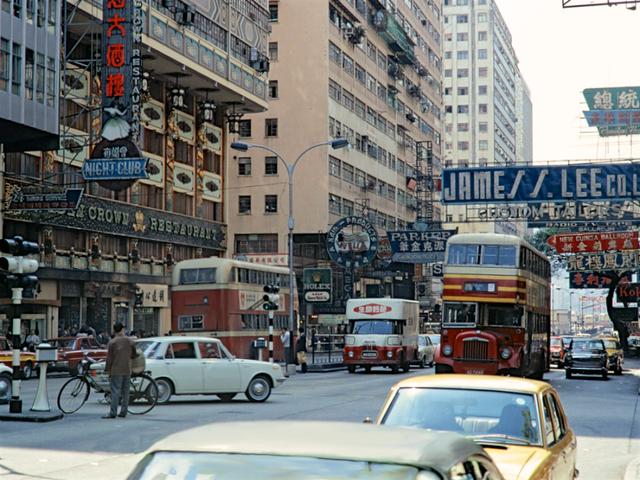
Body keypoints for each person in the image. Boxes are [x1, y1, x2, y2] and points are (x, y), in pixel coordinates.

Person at [103, 323, 138, 419]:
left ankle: (113, 412)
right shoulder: (130, 341)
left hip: (116, 369)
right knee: (126, 391)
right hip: (127, 369)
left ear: (114, 330)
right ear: (122, 329)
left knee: (115, 391)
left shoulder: (112, 342)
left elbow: (109, 358)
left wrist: (108, 370)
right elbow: (134, 354)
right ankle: (123, 411)